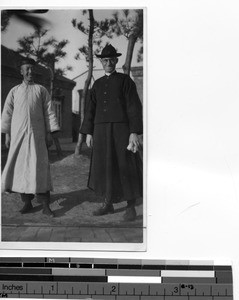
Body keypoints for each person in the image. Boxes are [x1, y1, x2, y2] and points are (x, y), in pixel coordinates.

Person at [80, 44, 143, 222]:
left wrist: (134, 132)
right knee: (104, 167)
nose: (108, 63)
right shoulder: (97, 85)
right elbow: (90, 110)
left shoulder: (125, 81)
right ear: (101, 61)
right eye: (105, 60)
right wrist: (88, 133)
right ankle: (107, 204)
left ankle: (131, 207)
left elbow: (134, 108)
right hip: (100, 131)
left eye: (111, 60)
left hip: (122, 131)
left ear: (116, 60)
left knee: (125, 166)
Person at [1, 57, 60, 217]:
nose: (29, 72)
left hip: (37, 137)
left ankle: (46, 205)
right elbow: (7, 113)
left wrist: (49, 133)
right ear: (21, 71)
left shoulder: (41, 90)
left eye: (32, 69)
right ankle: (27, 202)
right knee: (21, 171)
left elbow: (49, 112)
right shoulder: (14, 91)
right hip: (18, 137)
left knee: (40, 169)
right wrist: (7, 135)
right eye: (26, 69)